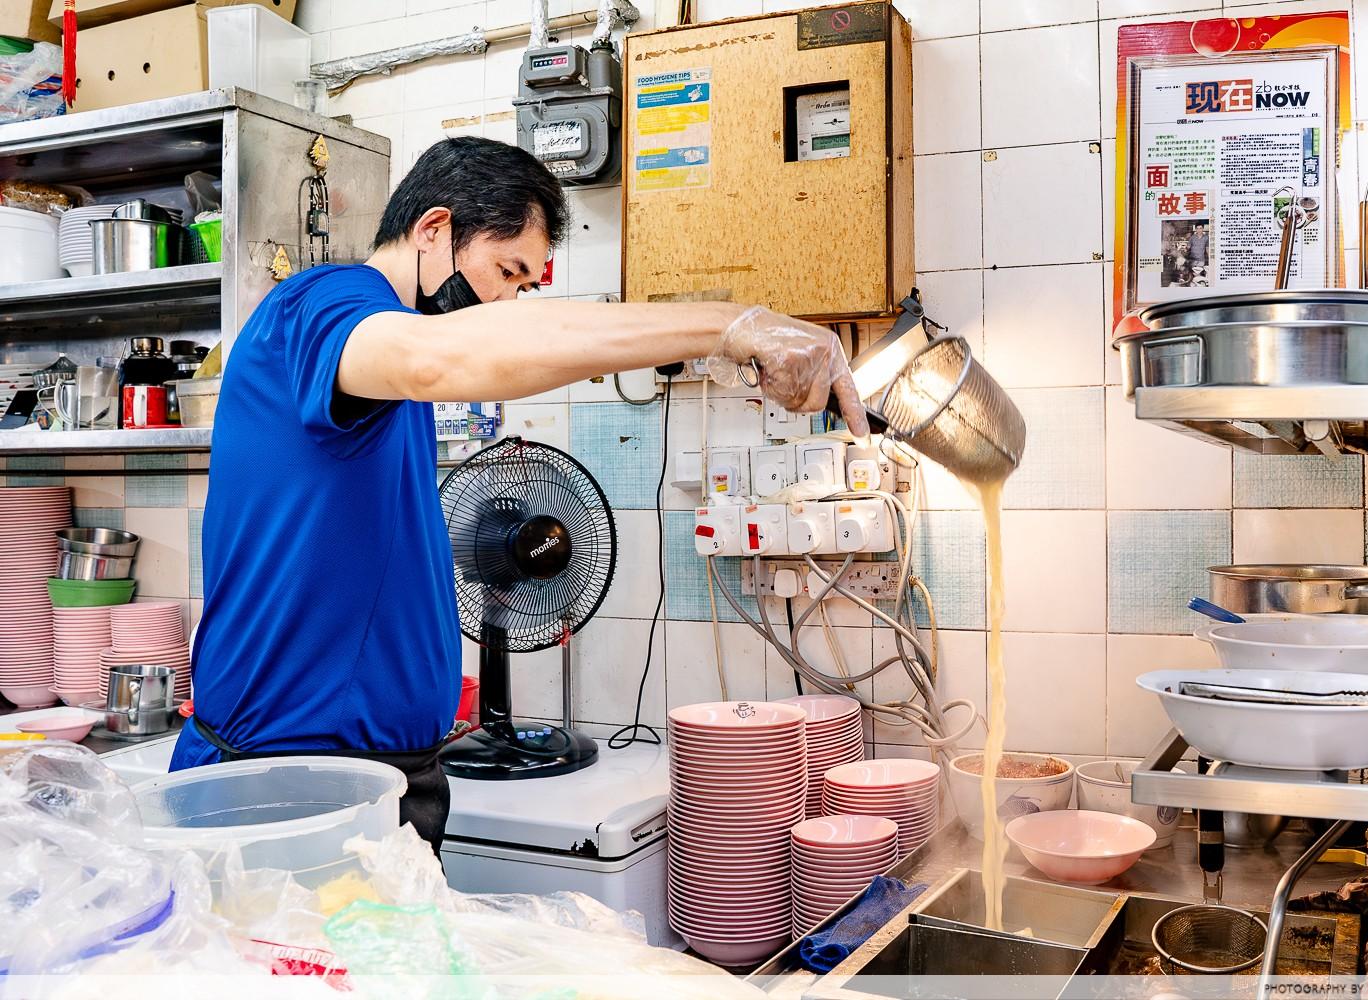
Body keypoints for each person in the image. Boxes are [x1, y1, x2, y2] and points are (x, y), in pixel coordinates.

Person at [169, 137, 868, 854]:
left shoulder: (384, 366)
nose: (507, 301)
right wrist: (729, 326)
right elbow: (450, 357)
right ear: (434, 230)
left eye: (525, 285)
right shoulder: (323, 306)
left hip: (367, 779)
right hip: (289, 786)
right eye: (507, 272)